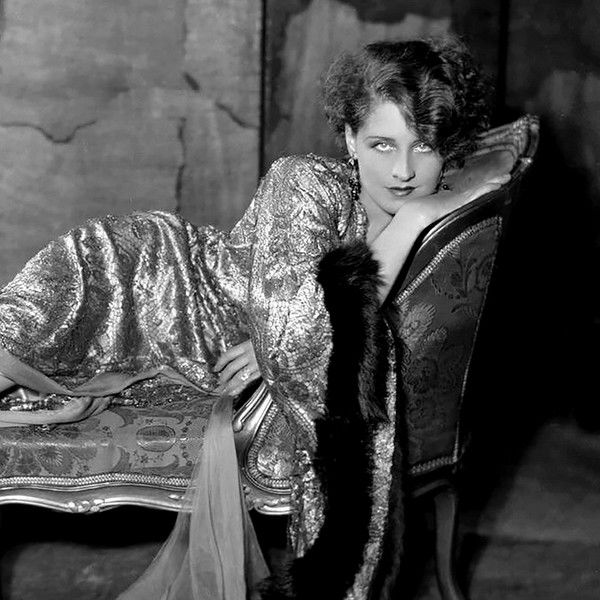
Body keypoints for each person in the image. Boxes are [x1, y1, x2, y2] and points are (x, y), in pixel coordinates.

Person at [0, 37, 509, 599]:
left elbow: (332, 321)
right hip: (138, 275)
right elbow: (295, 329)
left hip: (193, 343)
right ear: (349, 138)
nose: (404, 171)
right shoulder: (303, 181)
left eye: (425, 146)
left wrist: (411, 221)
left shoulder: (422, 207)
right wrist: (410, 222)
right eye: (382, 144)